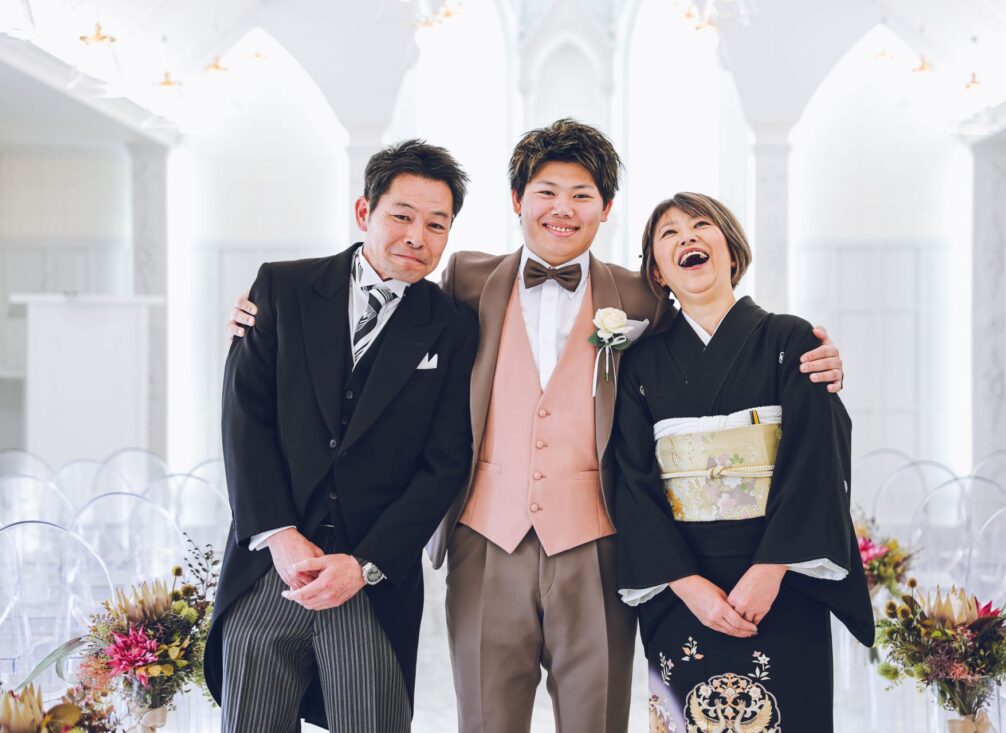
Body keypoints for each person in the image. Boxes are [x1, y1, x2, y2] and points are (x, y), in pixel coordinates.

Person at [227, 120, 846, 732]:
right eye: (547, 192)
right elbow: (383, 306)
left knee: (596, 723)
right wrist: (257, 322)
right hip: (485, 539)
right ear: (517, 200)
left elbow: (711, 338)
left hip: (599, 541)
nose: (563, 209)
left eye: (582, 195)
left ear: (607, 208)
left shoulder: (642, 296)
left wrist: (813, 359)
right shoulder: (465, 278)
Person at [208, 140, 479, 733]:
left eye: (437, 225)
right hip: (270, 568)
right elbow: (244, 418)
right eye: (402, 215)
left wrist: (366, 564)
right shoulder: (281, 288)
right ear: (364, 212)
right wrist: (279, 535)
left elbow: (445, 462)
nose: (417, 236)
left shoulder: (454, 325)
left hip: (370, 584)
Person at [613, 192, 873, 733]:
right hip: (682, 586)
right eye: (669, 234)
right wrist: (685, 583)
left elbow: (816, 457)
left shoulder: (791, 339)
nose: (687, 237)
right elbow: (632, 481)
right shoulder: (638, 364)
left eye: (701, 225)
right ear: (657, 273)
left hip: (782, 580)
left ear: (731, 250)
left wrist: (771, 569)